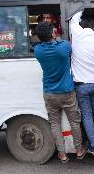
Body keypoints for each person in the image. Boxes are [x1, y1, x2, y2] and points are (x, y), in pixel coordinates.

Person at [34, 22, 87, 163]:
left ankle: (62, 154)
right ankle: (79, 150)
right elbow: (69, 44)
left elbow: (43, 43)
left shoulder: (38, 50)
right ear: (52, 34)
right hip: (67, 92)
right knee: (74, 122)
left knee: (55, 124)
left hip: (49, 93)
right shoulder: (63, 47)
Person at [69, 10, 94, 156]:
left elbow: (73, 20)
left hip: (81, 86)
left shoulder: (77, 33)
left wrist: (82, 7)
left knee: (87, 116)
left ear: (82, 26)